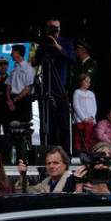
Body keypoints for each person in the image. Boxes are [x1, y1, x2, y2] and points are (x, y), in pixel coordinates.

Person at [34, 16, 74, 149]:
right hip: (47, 88)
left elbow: (72, 58)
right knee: (47, 122)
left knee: (63, 123)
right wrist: (45, 45)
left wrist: (58, 47)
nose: (55, 30)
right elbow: (36, 61)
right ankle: (47, 151)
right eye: (52, 28)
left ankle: (65, 153)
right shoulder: (43, 44)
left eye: (57, 28)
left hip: (61, 88)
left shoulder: (66, 42)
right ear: (47, 29)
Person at [6, 44, 35, 125]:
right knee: (12, 127)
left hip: (23, 102)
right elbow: (8, 86)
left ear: (17, 53)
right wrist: (9, 100)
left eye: (12, 52)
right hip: (12, 101)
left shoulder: (28, 69)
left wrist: (13, 101)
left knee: (23, 128)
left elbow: (27, 89)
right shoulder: (14, 69)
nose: (11, 54)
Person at [71, 74, 97, 154]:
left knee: (88, 137)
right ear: (81, 82)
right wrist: (83, 118)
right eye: (86, 81)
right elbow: (76, 106)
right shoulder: (77, 92)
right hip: (80, 120)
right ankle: (78, 152)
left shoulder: (91, 93)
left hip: (90, 120)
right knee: (78, 137)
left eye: (89, 82)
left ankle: (86, 153)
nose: (88, 83)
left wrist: (92, 117)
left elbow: (94, 106)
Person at [73, 39, 100, 106]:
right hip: (78, 94)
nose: (76, 51)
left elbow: (86, 78)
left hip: (88, 95)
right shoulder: (77, 64)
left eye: (78, 49)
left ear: (84, 50)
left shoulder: (92, 63)